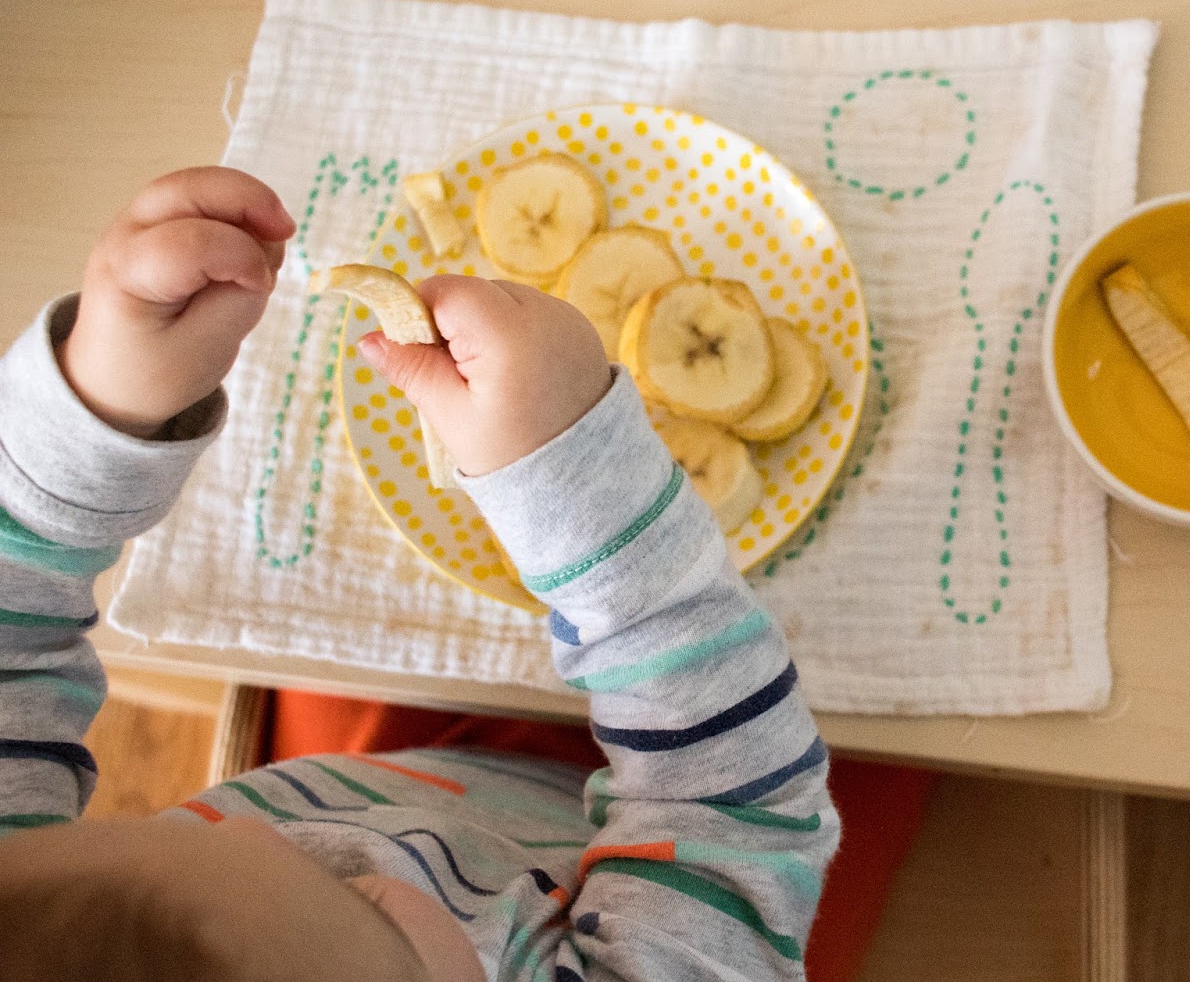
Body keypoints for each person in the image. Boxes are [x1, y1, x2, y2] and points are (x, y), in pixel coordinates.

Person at [0, 167, 839, 981]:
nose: (256, 834)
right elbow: (729, 802)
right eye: (363, 903)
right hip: (696, 842)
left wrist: (94, 406)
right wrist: (573, 478)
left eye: (180, 825)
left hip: (418, 778)